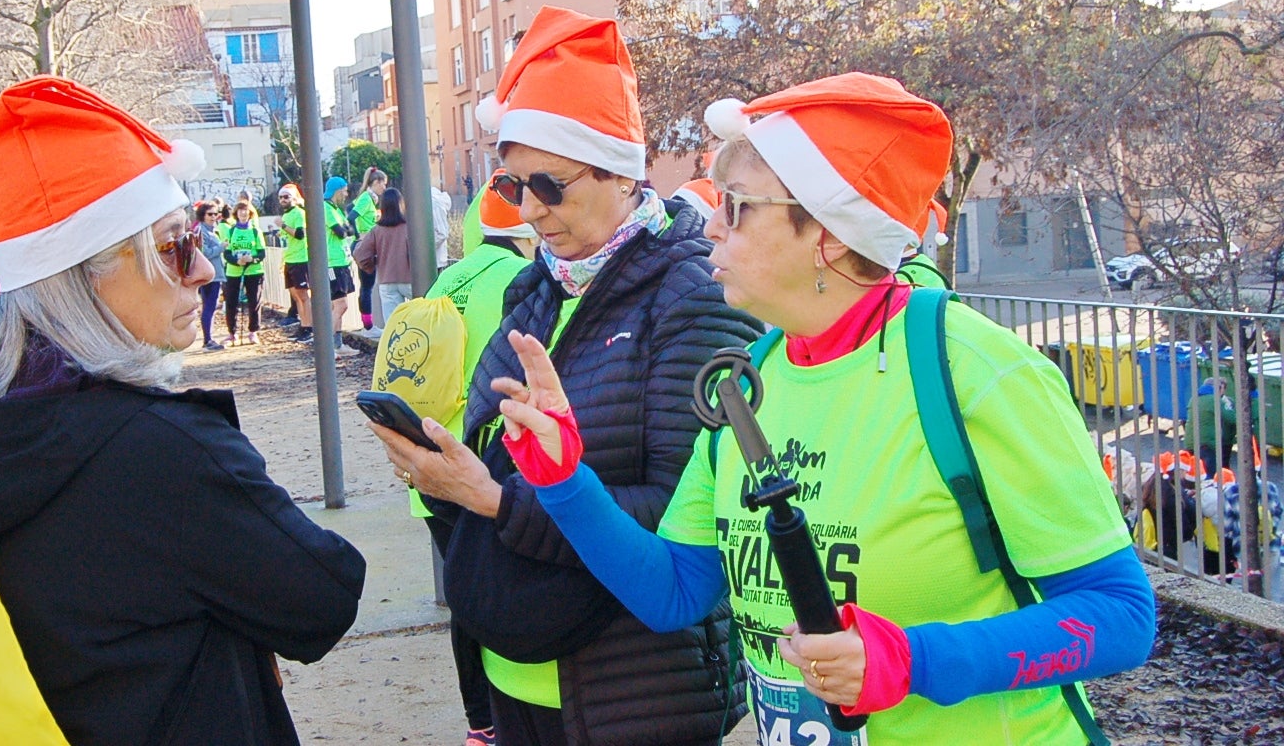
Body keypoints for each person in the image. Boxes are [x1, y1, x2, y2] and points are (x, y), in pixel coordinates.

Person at [488, 72, 1155, 744]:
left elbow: (1121, 614)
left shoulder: (977, 373)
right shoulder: (748, 385)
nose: (710, 224)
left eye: (738, 206)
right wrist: (562, 481)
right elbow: (675, 593)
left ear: (830, 235)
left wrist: (912, 660)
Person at [0, 76, 366, 743]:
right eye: (171, 245)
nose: (203, 271)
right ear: (83, 278)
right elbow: (323, 598)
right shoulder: (162, 450)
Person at [368, 6, 758, 745]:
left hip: (632, 688)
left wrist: (493, 501)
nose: (532, 209)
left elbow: (690, 514)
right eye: (514, 188)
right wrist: (442, 474)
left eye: (548, 183)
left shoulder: (693, 294)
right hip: (519, 670)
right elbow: (494, 458)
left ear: (620, 168)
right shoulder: (535, 288)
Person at [417, 174, 539, 746]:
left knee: (465, 598)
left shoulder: (448, 278)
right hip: (484, 474)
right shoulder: (524, 280)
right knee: (500, 595)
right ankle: (503, 719)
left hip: (430, 469)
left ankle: (480, 725)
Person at [352, 187, 412, 330]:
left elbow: (360, 254)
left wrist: (371, 266)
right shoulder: (410, 227)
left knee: (393, 328)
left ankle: (397, 351)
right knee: (420, 321)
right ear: (401, 204)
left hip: (387, 280)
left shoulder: (376, 230)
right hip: (411, 279)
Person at [221, 199, 266, 346]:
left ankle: (253, 332)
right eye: (240, 210)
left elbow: (261, 253)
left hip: (254, 272)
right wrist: (236, 260)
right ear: (236, 213)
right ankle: (231, 333)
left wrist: (251, 259)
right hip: (234, 272)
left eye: (246, 210)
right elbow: (227, 253)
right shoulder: (231, 230)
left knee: (254, 302)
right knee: (231, 303)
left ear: (250, 213)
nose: (243, 213)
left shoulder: (255, 231)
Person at [324, 176, 359, 358]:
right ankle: (329, 345)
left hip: (341, 261)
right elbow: (342, 232)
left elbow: (351, 231)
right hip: (332, 262)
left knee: (338, 305)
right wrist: (346, 228)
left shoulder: (336, 210)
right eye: (344, 190)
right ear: (337, 191)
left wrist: (346, 228)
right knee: (340, 304)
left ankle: (337, 344)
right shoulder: (326, 208)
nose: (346, 194)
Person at [351, 167, 388, 332]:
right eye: (383, 184)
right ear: (376, 182)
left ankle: (368, 323)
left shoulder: (368, 199)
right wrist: (359, 235)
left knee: (367, 285)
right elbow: (350, 216)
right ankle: (368, 325)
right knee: (367, 286)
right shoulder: (366, 198)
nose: (384, 188)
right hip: (365, 246)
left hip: (367, 245)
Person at [279, 185, 313, 343]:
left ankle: (309, 327)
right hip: (290, 259)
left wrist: (283, 226)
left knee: (304, 295)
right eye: (281, 197)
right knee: (296, 296)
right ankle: (303, 325)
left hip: (300, 258)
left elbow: (300, 234)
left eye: (286, 197)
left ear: (294, 198)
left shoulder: (299, 213)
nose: (283, 200)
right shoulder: (286, 215)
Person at [193, 202, 227, 351]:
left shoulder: (213, 230)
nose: (213, 217)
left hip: (215, 273)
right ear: (203, 215)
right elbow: (204, 252)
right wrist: (221, 247)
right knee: (209, 306)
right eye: (210, 214)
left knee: (210, 306)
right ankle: (207, 340)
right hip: (209, 275)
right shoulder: (201, 231)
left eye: (215, 214)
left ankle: (209, 338)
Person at [432, 181, 453, 274]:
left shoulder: (434, 204)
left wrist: (424, 248)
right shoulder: (433, 202)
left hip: (434, 260)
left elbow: (441, 233)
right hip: (435, 258)